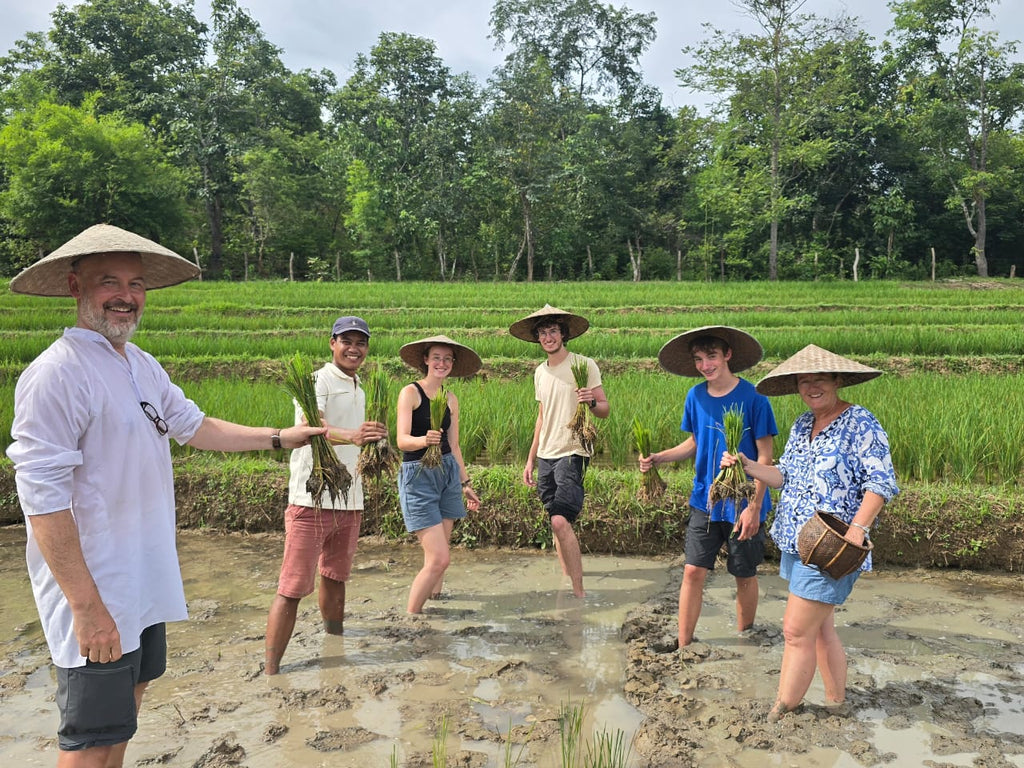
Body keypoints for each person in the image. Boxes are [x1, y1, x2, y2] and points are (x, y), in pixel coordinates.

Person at [5, 224, 324, 768]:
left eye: (136, 283)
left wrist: (279, 437)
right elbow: (43, 503)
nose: (126, 295)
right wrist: (86, 608)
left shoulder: (139, 364)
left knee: (122, 719)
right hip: (98, 589)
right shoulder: (57, 375)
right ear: (75, 285)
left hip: (143, 581)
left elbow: (194, 426)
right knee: (87, 740)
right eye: (110, 282)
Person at [720, 343, 899, 722]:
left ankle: (782, 710)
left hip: (832, 544)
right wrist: (748, 465)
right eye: (804, 381)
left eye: (819, 379)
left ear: (836, 380)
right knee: (820, 630)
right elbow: (786, 475)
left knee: (795, 631)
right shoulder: (803, 424)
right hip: (798, 541)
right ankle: (837, 700)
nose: (812, 387)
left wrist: (857, 530)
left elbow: (880, 483)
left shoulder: (861, 422)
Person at [263, 315, 387, 675]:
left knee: (336, 577)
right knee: (292, 586)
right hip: (312, 498)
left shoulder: (360, 386)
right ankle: (271, 672)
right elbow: (308, 428)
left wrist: (377, 440)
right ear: (332, 343)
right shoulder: (317, 380)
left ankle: (335, 648)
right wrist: (352, 436)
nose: (354, 348)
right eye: (346, 341)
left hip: (349, 499)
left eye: (360, 342)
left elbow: (358, 436)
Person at [639, 326, 777, 647]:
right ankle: (684, 644)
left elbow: (766, 457)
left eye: (711, 357)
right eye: (699, 359)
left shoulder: (754, 397)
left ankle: (744, 638)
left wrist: (755, 508)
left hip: (744, 502)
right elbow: (694, 443)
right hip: (706, 498)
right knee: (692, 571)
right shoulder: (696, 396)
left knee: (743, 574)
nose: (705, 365)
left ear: (727, 355)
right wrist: (659, 457)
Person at [510, 305, 610, 599]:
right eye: (542, 332)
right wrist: (530, 459)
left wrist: (591, 401)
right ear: (537, 338)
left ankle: (579, 594)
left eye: (553, 331)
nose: (548, 337)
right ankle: (565, 583)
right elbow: (542, 417)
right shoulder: (540, 372)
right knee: (554, 519)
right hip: (547, 454)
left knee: (559, 520)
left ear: (563, 334)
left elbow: (604, 410)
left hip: (573, 450)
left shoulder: (584, 365)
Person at [395, 334, 482, 614]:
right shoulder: (410, 393)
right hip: (418, 476)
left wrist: (465, 482)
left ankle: (435, 604)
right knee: (439, 558)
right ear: (425, 360)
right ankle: (411, 617)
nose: (442, 363)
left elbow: (454, 445)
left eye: (447, 359)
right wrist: (424, 441)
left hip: (446, 474)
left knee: (442, 551)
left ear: (452, 364)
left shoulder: (451, 399)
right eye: (436, 358)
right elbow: (401, 440)